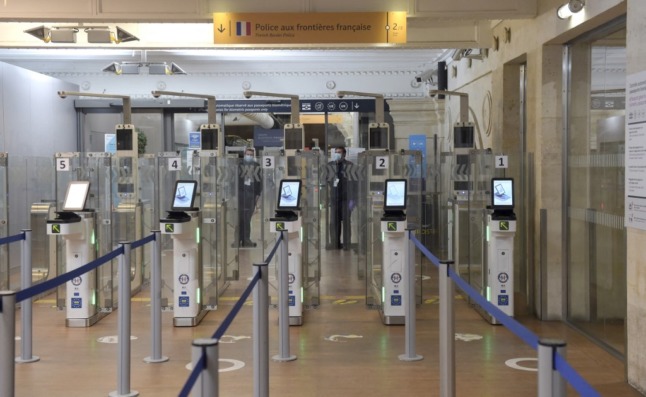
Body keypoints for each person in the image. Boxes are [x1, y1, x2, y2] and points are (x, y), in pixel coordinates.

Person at [328, 146, 356, 250]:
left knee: (346, 221)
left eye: (339, 152)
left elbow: (354, 184)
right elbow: (327, 180)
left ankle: (347, 244)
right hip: (334, 199)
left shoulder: (350, 166)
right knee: (334, 222)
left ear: (344, 154)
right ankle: (335, 243)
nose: (337, 154)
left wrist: (353, 201)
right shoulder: (330, 166)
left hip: (346, 199)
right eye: (336, 152)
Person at [237, 147, 262, 248]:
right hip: (240, 193)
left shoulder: (257, 166)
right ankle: (239, 239)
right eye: (248, 154)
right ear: (244, 154)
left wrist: (257, 195)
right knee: (239, 218)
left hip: (251, 195)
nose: (249, 156)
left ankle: (246, 239)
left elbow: (259, 182)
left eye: (251, 155)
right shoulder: (239, 166)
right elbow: (234, 181)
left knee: (247, 218)